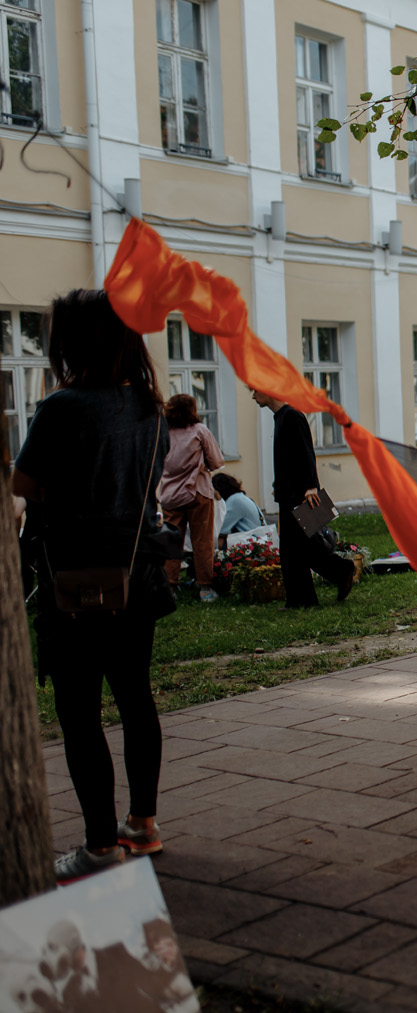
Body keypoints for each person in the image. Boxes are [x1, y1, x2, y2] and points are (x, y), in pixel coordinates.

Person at [12, 290, 175, 883]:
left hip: (76, 586)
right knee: (136, 698)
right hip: (139, 578)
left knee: (79, 712)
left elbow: (25, 485)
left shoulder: (63, 407)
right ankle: (143, 825)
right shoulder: (150, 407)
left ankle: (100, 846)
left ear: (72, 343)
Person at [249, 388, 356, 608]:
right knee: (292, 549)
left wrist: (311, 486)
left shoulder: (292, 416)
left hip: (299, 494)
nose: (253, 396)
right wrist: (277, 485)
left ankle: (337, 574)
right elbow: (288, 458)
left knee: (299, 547)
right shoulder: (281, 418)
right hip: (289, 492)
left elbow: (306, 452)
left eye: (254, 390)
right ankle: (303, 597)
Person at [157, 393, 225, 602]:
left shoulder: (163, 433)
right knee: (202, 540)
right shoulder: (199, 431)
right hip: (197, 493)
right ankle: (205, 588)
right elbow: (216, 460)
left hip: (170, 494)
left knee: (170, 541)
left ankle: (170, 585)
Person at [212, 471, 264, 546]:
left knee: (215, 540)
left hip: (253, 542)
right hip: (257, 538)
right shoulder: (240, 497)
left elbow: (221, 528)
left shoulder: (235, 501)